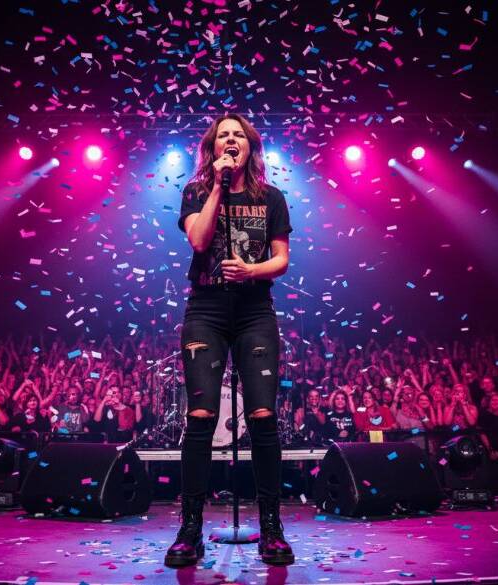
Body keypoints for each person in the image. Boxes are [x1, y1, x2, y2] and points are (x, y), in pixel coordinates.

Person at [167, 113, 294, 568]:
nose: (231, 140)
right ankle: (190, 531)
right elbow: (199, 242)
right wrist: (219, 186)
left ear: (250, 145)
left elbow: (281, 259)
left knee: (263, 417)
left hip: (255, 311)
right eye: (224, 135)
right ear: (213, 147)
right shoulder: (197, 192)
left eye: (238, 134)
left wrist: (251, 270)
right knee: (200, 416)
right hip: (207, 311)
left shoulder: (272, 198)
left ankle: (272, 529)